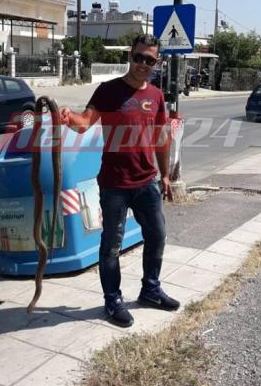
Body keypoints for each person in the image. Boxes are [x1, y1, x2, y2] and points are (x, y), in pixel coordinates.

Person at [60, 34, 180, 327]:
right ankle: (112, 300)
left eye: (149, 60)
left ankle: (150, 289)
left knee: (157, 235)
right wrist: (68, 116)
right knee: (110, 245)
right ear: (130, 56)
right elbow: (85, 122)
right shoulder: (108, 91)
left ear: (157, 63)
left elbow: (161, 139)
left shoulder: (156, 95)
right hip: (114, 183)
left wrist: (164, 175)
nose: (142, 64)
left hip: (147, 180)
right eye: (138, 57)